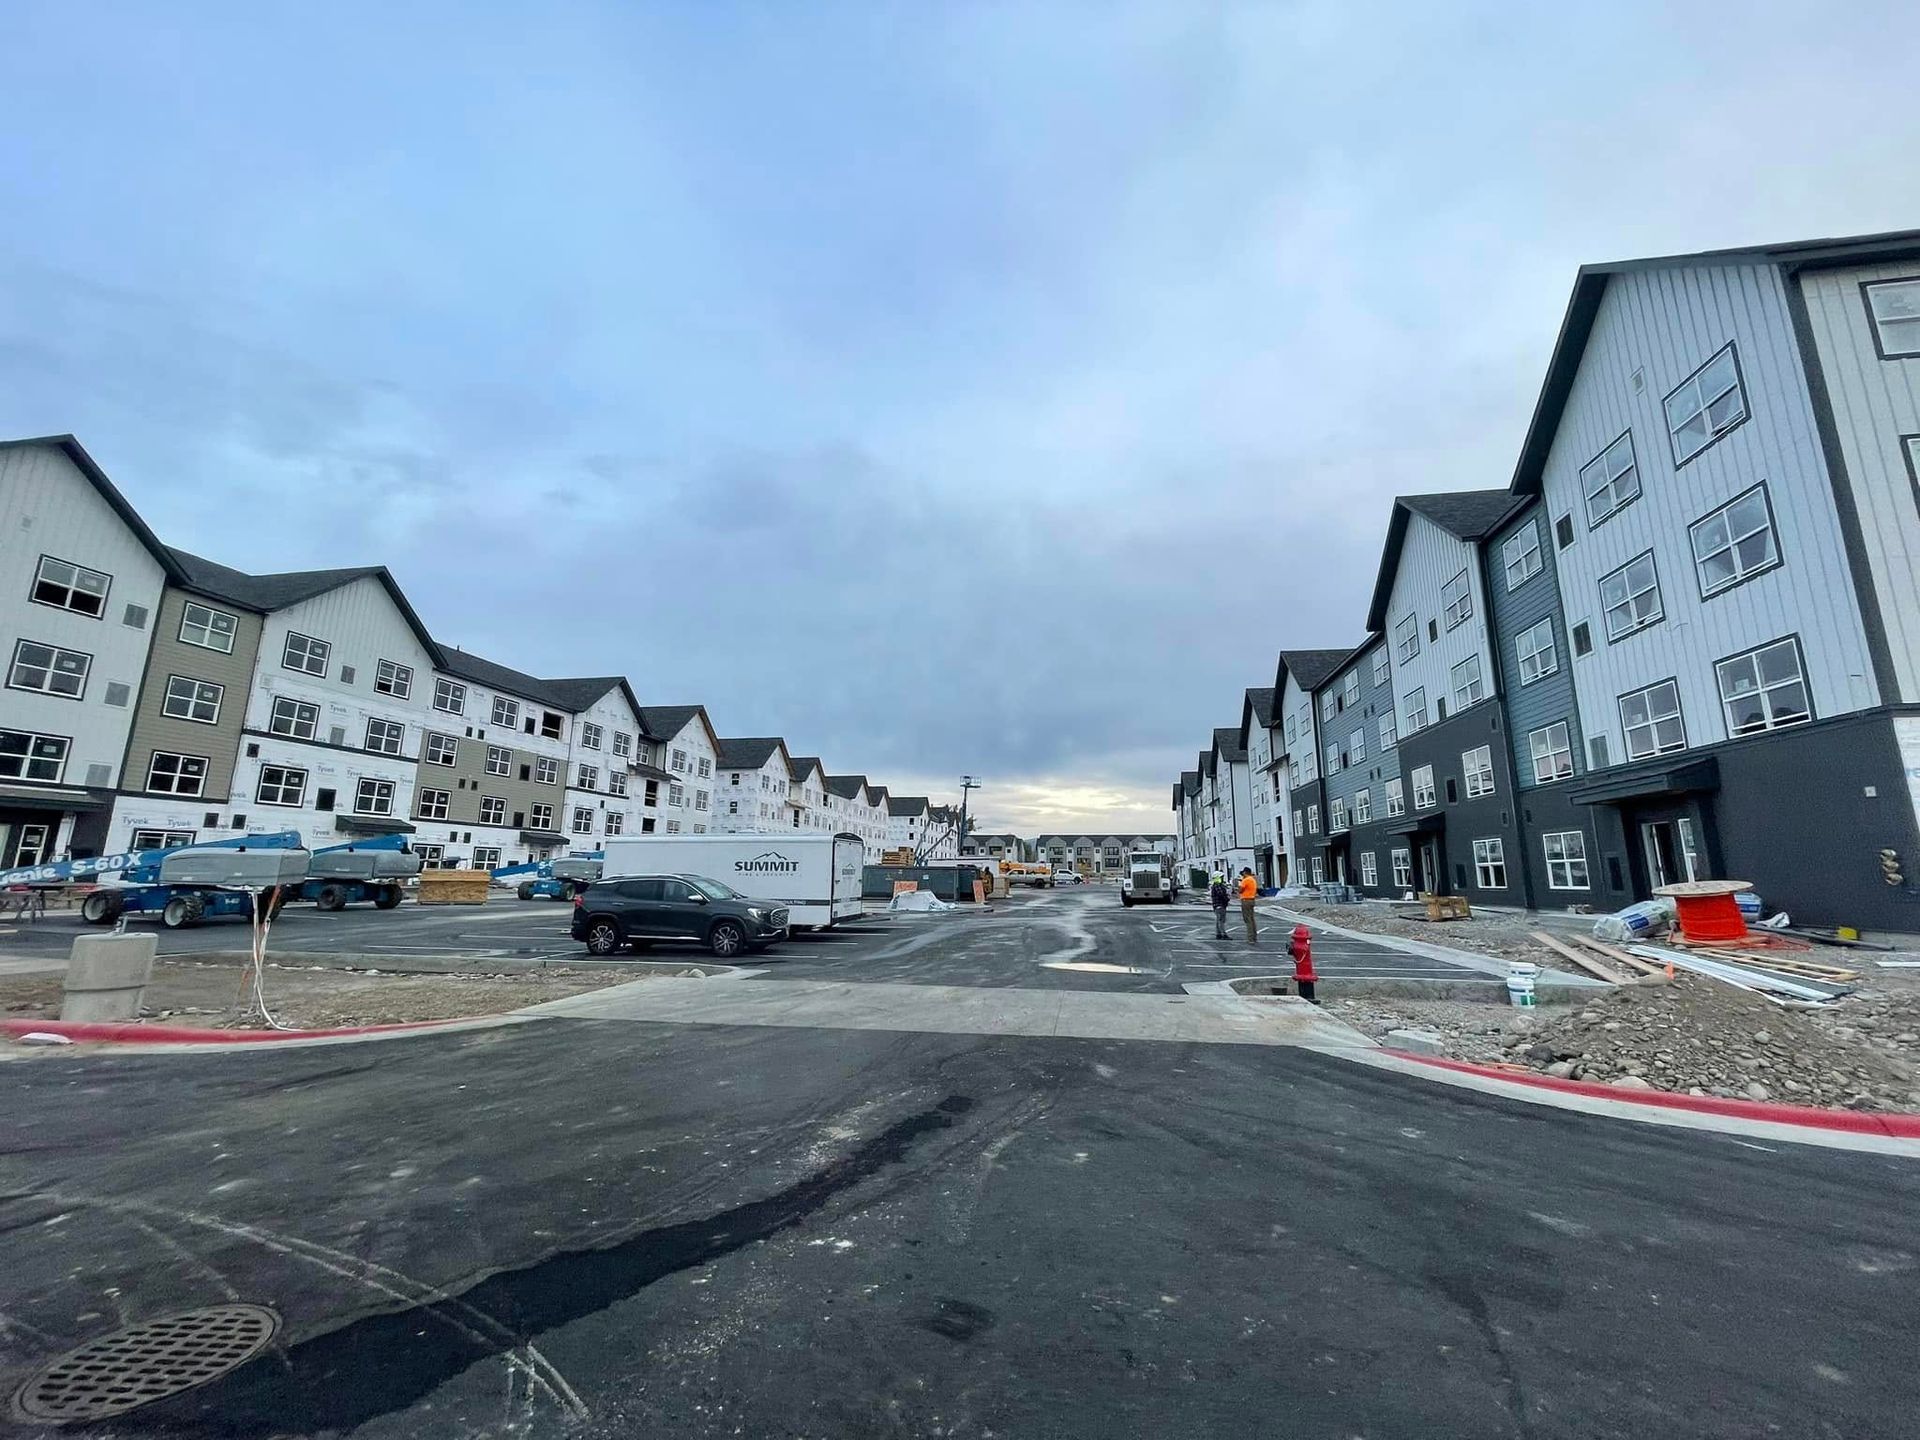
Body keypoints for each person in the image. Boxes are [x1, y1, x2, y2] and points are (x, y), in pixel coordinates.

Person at [1289, 923, 1318, 1003]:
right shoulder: (1305, 945)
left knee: (1304, 978)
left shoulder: (1299, 946)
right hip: (1305, 971)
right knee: (1306, 978)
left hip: (1303, 971)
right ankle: (1309, 996)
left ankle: (1304, 995)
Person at [1238, 867, 1259, 943]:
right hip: (1251, 899)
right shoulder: (1252, 879)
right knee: (1252, 919)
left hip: (1245, 900)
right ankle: (1254, 936)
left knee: (1247, 919)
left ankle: (1250, 938)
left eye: (1243, 873)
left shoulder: (1245, 880)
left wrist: (1240, 882)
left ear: (1245, 872)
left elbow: (1240, 890)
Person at [1208, 872, 1230, 939]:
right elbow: (1221, 894)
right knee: (1221, 920)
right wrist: (1227, 898)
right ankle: (1224, 934)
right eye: (1221, 877)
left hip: (1217, 905)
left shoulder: (1216, 885)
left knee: (1218, 920)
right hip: (1220, 904)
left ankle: (1218, 934)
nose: (1222, 878)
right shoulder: (1218, 885)